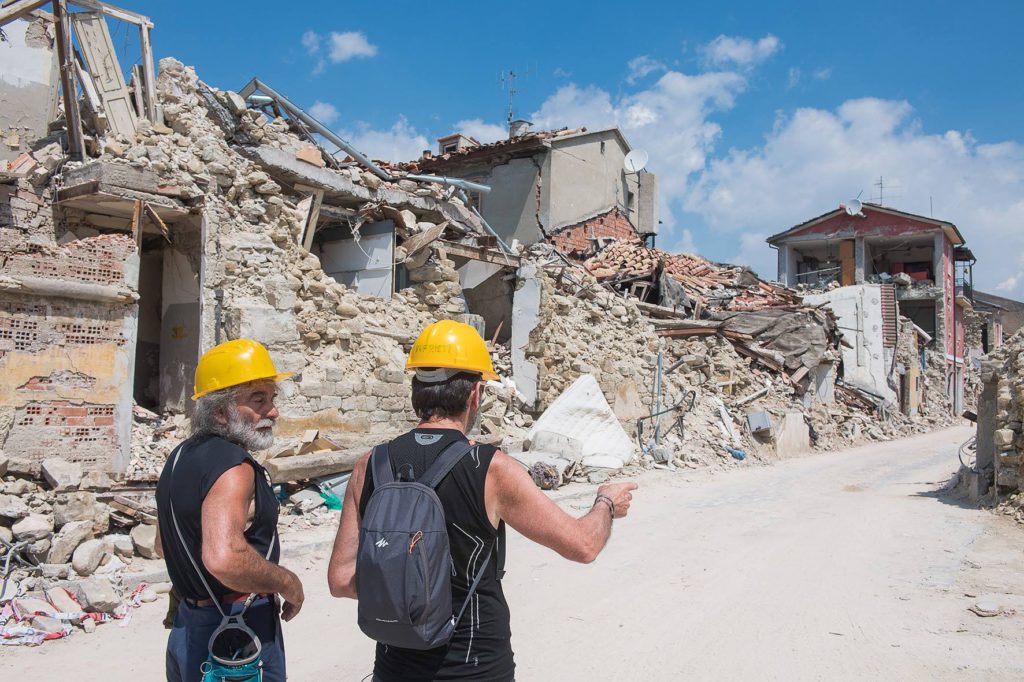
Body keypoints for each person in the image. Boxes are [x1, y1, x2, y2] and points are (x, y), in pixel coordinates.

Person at [328, 320, 638, 681]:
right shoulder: (491, 469)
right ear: (475, 394)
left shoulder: (372, 463)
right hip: (475, 667)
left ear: (416, 390)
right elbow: (583, 545)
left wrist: (407, 587)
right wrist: (607, 503)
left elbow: (341, 579)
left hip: (395, 666)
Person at [156, 339, 304, 682]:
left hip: (188, 629)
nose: (273, 411)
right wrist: (288, 582)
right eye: (258, 400)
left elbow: (164, 546)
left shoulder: (180, 457)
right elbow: (224, 558)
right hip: (234, 637)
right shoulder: (235, 469)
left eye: (272, 398)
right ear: (221, 412)